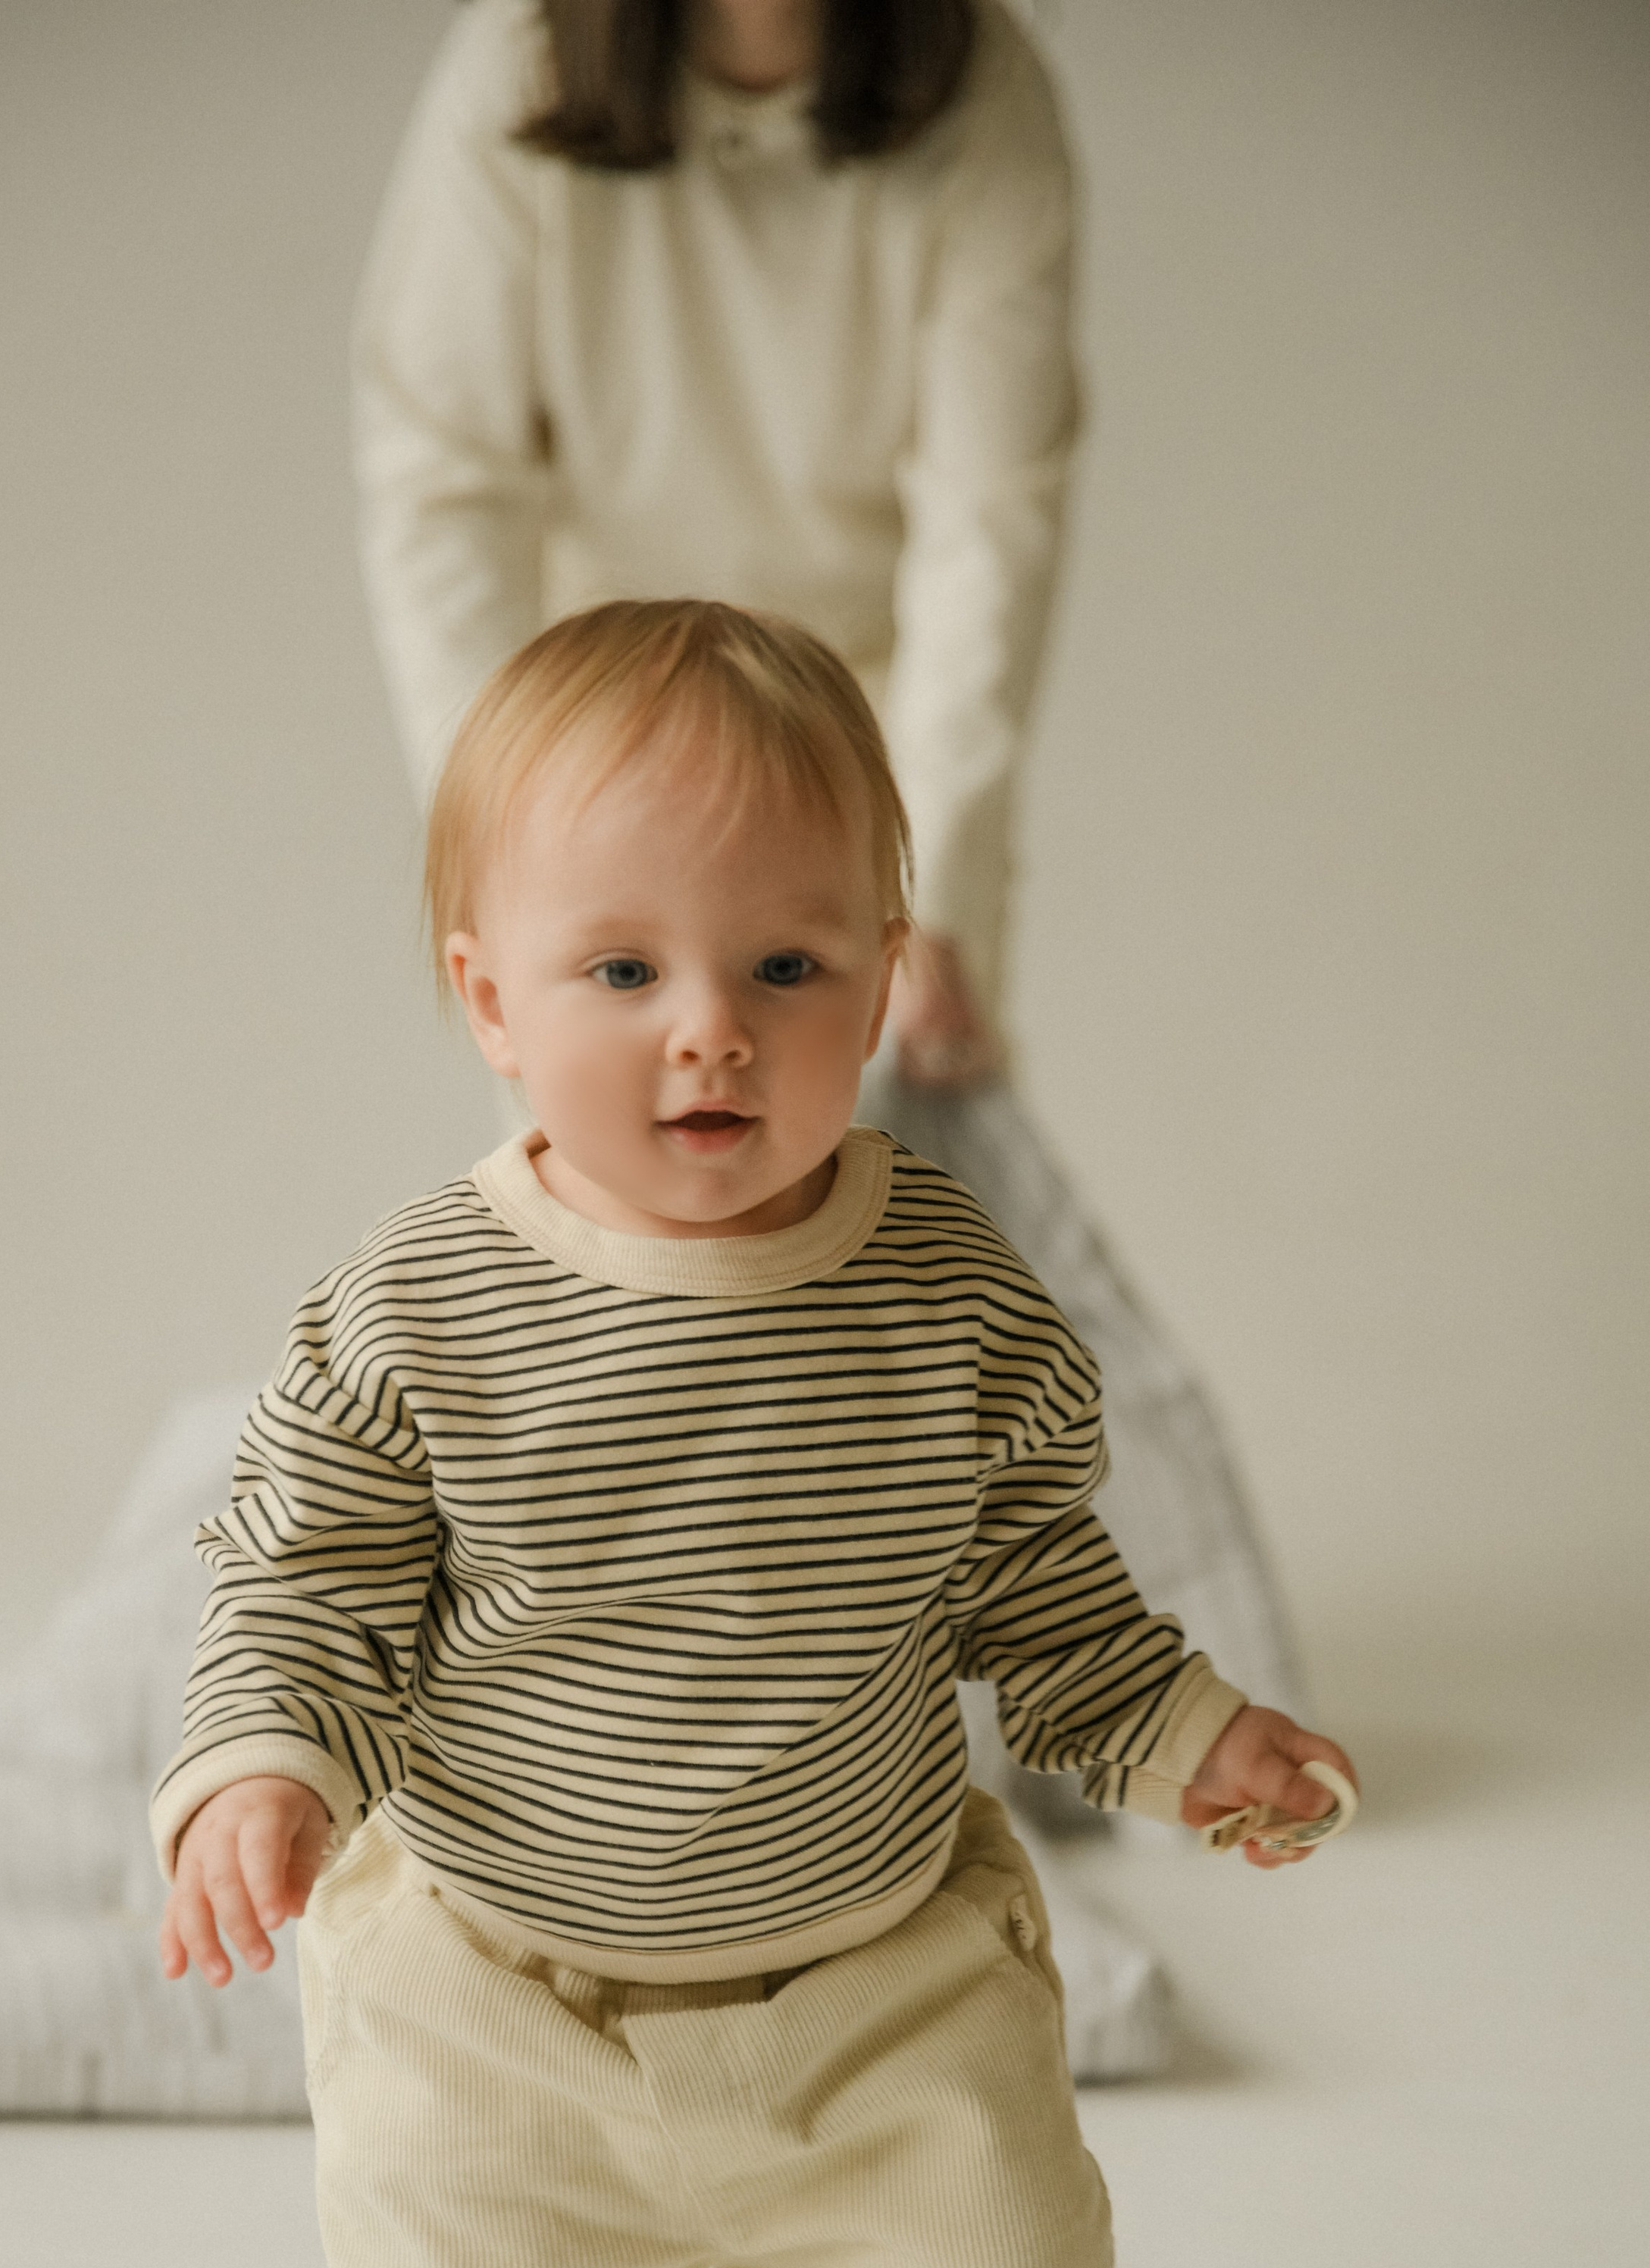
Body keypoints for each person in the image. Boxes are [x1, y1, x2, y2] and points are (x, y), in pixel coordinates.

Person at [152, 602, 1356, 2268]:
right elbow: (298, 1583)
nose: (710, 1030)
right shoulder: (417, 1307)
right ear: (486, 998)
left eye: (789, 969)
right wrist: (256, 1771)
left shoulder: (956, 1298)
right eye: (619, 973)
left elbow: (1043, 1603)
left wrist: (1189, 1734)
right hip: (503, 1989)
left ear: (889, 982)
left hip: (877, 1973)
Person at [351, 0, 1304, 1759]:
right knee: (602, 1244)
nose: (704, 1034)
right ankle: (599, 1684)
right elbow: (441, 478)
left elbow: (985, 521)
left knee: (882, 1249)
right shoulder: (524, 69)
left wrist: (921, 884)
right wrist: (521, 822)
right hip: (589, 735)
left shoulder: (978, 89)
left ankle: (938, 1690)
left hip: (853, 745)